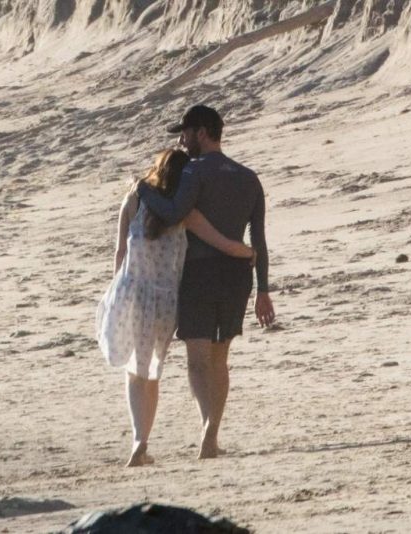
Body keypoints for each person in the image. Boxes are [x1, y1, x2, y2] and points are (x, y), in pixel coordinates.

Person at [96, 148, 255, 467]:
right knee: (152, 370)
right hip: (166, 301)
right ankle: (188, 434)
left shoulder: (133, 200)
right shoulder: (185, 213)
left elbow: (119, 253)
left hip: (132, 292)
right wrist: (249, 252)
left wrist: (116, 290)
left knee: (135, 371)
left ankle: (139, 441)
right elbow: (221, 243)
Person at [137, 105, 275, 459]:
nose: (182, 142)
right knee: (220, 358)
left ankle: (207, 431)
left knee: (197, 359)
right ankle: (211, 433)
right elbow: (258, 240)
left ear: (201, 132)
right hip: (237, 275)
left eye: (184, 134)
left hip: (198, 273)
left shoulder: (193, 171)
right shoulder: (249, 178)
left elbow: (174, 213)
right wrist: (263, 289)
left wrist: (142, 189)